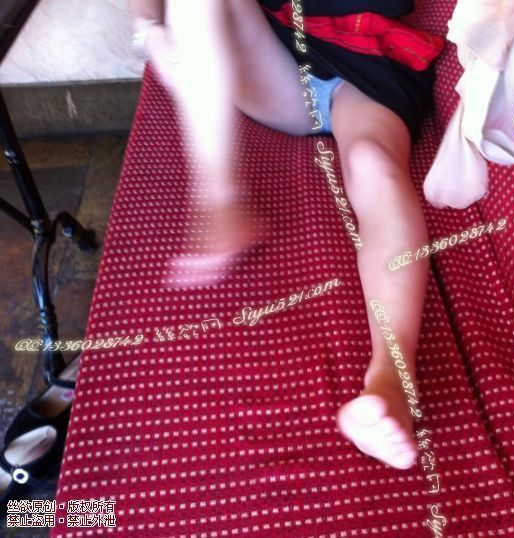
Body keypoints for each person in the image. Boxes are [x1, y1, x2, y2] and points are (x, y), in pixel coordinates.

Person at [128, 0, 443, 470]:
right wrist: (151, 30)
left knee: (374, 164)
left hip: (370, 63)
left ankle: (393, 377)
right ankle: (221, 200)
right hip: (275, 53)